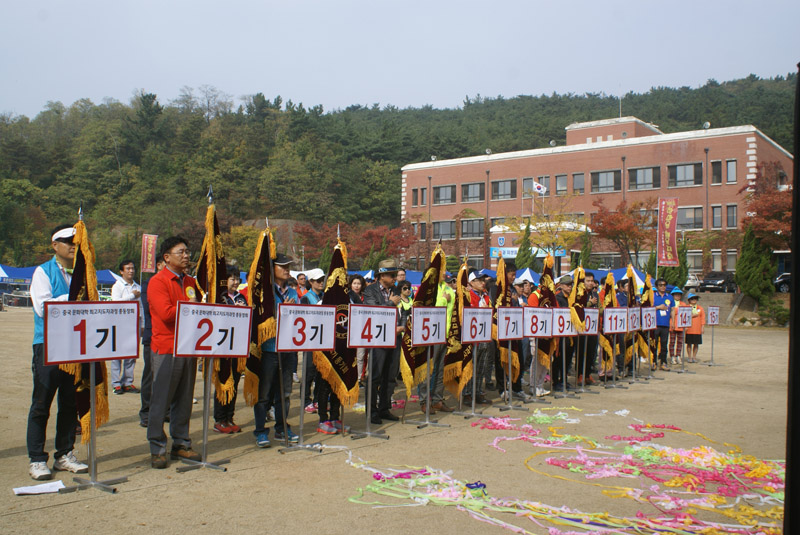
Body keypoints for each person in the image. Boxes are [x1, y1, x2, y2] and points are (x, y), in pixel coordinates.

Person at [26, 225, 89, 480]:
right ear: (55, 245)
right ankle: (36, 458)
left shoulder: (83, 272)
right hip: (48, 344)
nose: (73, 246)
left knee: (69, 402)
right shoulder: (44, 271)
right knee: (42, 403)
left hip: (74, 345)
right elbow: (43, 307)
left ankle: (64, 453)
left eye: (76, 242)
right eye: (67, 242)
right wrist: (73, 297)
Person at [146, 236, 202, 468]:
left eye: (187, 251)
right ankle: (157, 447)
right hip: (166, 347)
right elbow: (166, 313)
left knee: (184, 399)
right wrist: (192, 308)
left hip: (187, 347)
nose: (186, 256)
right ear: (167, 257)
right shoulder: (158, 282)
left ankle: (181, 443)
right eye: (181, 252)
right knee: (161, 400)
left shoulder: (190, 281)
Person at [253, 253, 300, 447]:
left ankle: (282, 428)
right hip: (269, 348)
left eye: (288, 266)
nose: (287, 270)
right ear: (272, 269)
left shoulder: (293, 293)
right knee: (263, 394)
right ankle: (260, 431)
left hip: (288, 349)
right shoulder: (265, 292)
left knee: (285, 392)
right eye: (283, 266)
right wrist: (283, 312)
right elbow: (262, 318)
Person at [362, 259, 402, 424]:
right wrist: (391, 303)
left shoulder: (396, 290)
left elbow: (404, 309)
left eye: (395, 275)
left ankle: (384, 408)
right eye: (392, 275)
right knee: (375, 376)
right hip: (378, 337)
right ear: (382, 276)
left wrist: (402, 325)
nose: (394, 278)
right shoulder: (370, 290)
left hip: (395, 336)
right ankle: (371, 411)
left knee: (390, 376)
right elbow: (374, 311)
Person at [213, 269, 248, 434]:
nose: (235, 282)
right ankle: (219, 419)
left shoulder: (241, 297)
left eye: (237, 279)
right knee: (223, 382)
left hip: (237, 346)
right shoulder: (220, 297)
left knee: (234, 382)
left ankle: (229, 417)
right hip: (223, 346)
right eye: (232, 279)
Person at [419, 275, 456, 413]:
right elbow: (429, 308)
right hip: (430, 334)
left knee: (440, 370)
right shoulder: (428, 288)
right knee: (427, 371)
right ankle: (424, 401)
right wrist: (443, 300)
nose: (443, 273)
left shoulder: (448, 288)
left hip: (445, 334)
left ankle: (437, 400)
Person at [139, 257, 166, 428]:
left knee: (167, 376)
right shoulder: (148, 284)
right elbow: (151, 309)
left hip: (171, 338)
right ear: (159, 265)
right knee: (150, 375)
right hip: (153, 336)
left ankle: (166, 410)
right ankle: (146, 412)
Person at [110, 260, 142, 395]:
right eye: (128, 268)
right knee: (117, 354)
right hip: (120, 323)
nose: (131, 271)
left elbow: (141, 306)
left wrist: (142, 324)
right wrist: (132, 296)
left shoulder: (138, 287)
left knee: (131, 354)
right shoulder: (117, 286)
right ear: (121, 272)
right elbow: (116, 302)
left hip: (134, 323)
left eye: (132, 268)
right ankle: (116, 383)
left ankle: (127, 382)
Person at [464, 270, 492, 405]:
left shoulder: (485, 296)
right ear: (471, 282)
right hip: (472, 337)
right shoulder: (468, 295)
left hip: (484, 334)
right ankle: (467, 393)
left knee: (482, 366)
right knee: (470, 366)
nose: (482, 283)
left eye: (483, 280)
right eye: (479, 280)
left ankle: (478, 391)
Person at [300, 268, 325, 414]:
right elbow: (303, 318)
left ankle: (317, 399)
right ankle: (305, 400)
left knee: (321, 372)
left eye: (322, 280)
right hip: (310, 339)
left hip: (323, 339)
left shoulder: (325, 296)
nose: (321, 283)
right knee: (309, 371)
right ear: (311, 282)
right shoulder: (305, 298)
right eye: (318, 280)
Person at [553, 275, 574, 390]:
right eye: (567, 285)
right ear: (561, 286)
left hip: (570, 332)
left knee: (568, 358)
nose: (569, 287)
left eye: (571, 285)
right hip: (560, 333)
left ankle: (564, 380)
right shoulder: (558, 298)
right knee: (558, 358)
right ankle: (555, 381)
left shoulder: (571, 298)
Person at [578, 271, 599, 386]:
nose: (591, 283)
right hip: (582, 329)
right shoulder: (579, 294)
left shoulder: (595, 294)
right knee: (582, 352)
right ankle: (580, 374)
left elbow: (599, 308)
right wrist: (589, 303)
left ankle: (587, 374)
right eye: (588, 281)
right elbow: (578, 308)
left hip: (593, 328)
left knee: (591, 352)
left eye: (592, 281)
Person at [348, 274, 367, 385]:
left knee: (360, 356)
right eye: (354, 283)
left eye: (358, 284)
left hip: (362, 330)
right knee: (350, 356)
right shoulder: (347, 296)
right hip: (349, 330)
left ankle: (358, 379)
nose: (356, 286)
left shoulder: (366, 296)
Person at [652, 278, 673, 372]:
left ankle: (663, 362)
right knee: (654, 344)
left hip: (665, 324)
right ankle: (653, 362)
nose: (663, 287)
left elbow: (672, 310)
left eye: (664, 285)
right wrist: (658, 307)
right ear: (657, 286)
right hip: (655, 324)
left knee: (664, 344)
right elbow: (648, 308)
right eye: (660, 285)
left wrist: (673, 322)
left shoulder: (669, 297)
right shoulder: (653, 296)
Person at [684, 292, 705, 363]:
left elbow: (702, 318)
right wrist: (692, 316)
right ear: (689, 300)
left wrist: (702, 327)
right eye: (692, 299)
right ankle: (689, 357)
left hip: (697, 329)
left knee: (696, 344)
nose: (694, 300)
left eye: (695, 299)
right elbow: (684, 316)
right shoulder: (686, 308)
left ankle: (694, 357)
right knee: (689, 343)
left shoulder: (700, 308)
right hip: (689, 328)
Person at [668, 287, 686, 365]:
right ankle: (672, 356)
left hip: (681, 326)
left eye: (679, 295)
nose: (677, 296)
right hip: (672, 325)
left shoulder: (683, 304)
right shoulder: (669, 303)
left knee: (680, 342)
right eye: (676, 295)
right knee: (672, 342)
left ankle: (678, 355)